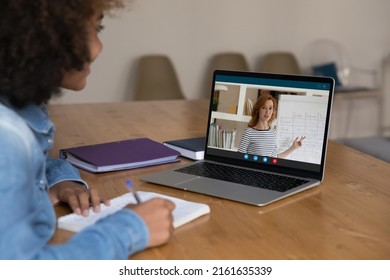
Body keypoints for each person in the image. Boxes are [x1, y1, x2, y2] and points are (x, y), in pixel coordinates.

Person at [0, 0, 175, 259]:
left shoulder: (17, 111)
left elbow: (27, 162)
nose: (99, 47)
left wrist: (61, 181)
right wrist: (131, 228)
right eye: (93, 29)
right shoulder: (8, 136)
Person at [238, 93, 305, 158]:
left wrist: (293, 147)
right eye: (264, 108)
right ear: (258, 109)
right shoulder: (249, 132)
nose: (267, 112)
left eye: (270, 108)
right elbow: (239, 157)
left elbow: (275, 158)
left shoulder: (273, 133)